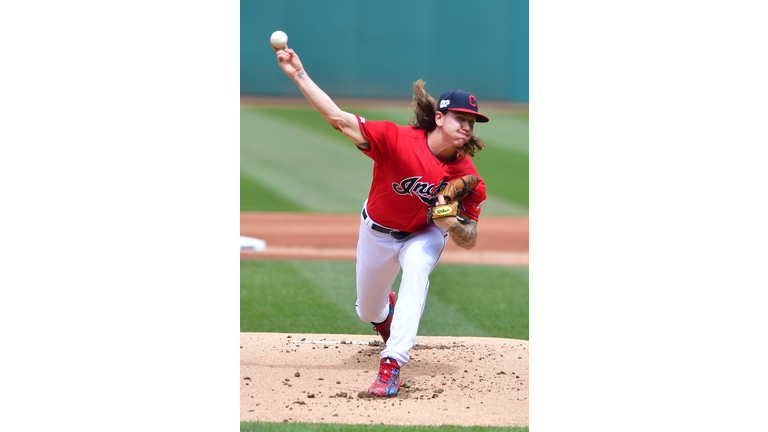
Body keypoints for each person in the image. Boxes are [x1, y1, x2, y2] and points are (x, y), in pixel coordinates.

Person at [272, 42, 489, 397]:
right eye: (460, 118)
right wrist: (299, 74)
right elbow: (338, 119)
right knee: (367, 310)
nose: (467, 126)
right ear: (440, 117)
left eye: (472, 122)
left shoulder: (466, 173)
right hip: (376, 231)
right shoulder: (395, 139)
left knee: (418, 269)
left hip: (423, 234)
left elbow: (470, 237)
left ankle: (392, 363)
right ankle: (383, 314)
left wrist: (449, 222)